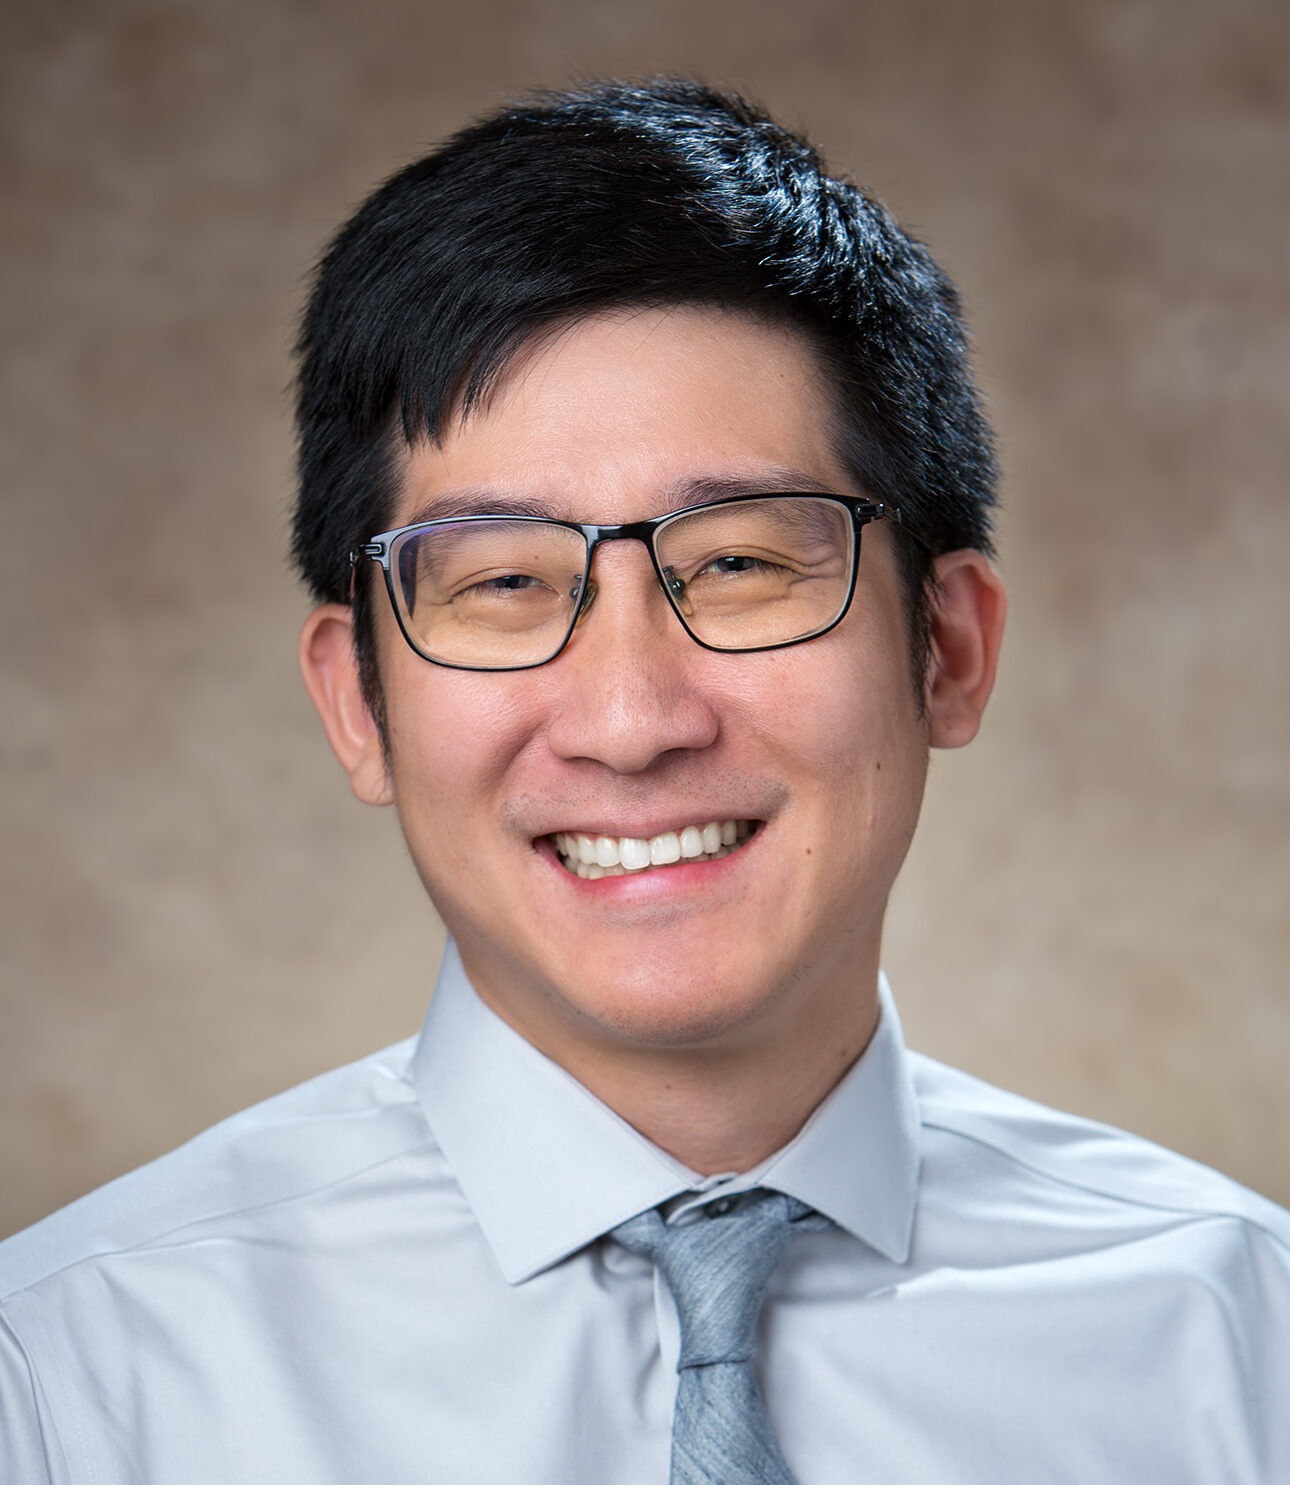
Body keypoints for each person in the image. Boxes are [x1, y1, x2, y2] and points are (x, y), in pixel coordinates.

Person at [1, 78, 1286, 1485]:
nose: (629, 722)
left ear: (950, 648)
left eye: (738, 563)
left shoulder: (1241, 1342)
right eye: (502, 582)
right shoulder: (72, 1377)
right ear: (356, 702)